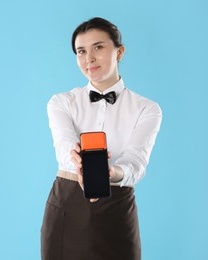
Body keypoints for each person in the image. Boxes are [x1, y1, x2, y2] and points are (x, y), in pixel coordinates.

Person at [40, 17, 162, 260]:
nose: (89, 58)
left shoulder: (147, 108)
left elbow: (136, 161)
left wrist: (111, 172)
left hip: (116, 206)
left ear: (119, 51)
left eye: (98, 47)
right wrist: (76, 159)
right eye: (81, 51)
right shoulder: (61, 102)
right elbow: (64, 144)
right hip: (67, 203)